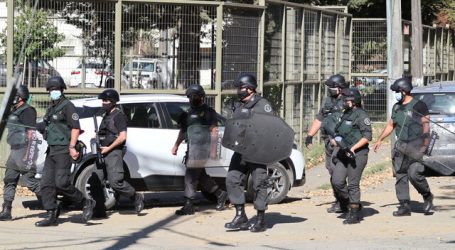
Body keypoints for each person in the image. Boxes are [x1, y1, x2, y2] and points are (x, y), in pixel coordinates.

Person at [35, 76, 95, 227]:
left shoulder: (68, 106)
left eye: (56, 89)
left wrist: (72, 147)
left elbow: (75, 128)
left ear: (61, 90)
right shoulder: (51, 108)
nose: (53, 92)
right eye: (51, 90)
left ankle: (86, 202)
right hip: (52, 150)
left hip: (64, 149)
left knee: (61, 182)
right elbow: (48, 127)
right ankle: (51, 214)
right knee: (46, 184)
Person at [373, 77, 433, 216]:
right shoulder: (397, 106)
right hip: (401, 146)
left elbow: (426, 125)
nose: (396, 94)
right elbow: (391, 125)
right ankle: (404, 205)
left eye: (397, 91)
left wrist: (425, 145)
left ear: (404, 91)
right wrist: (380, 139)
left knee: (414, 173)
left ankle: (427, 196)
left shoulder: (419, 105)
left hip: (416, 146)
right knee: (400, 175)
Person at [224, 74, 271, 233]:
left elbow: (268, 126)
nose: (238, 91)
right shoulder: (238, 105)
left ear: (250, 88)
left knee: (259, 183)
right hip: (241, 150)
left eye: (241, 88)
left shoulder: (262, 104)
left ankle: (260, 219)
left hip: (257, 151)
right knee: (232, 179)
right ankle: (240, 215)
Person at [171, 84, 228, 215]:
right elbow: (183, 131)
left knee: (191, 176)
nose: (192, 98)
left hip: (202, 148)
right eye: (190, 96)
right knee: (200, 176)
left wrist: (213, 150)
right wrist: (176, 145)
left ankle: (189, 204)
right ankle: (220, 194)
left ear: (202, 97)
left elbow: (214, 131)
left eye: (195, 96)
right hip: (191, 148)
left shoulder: (208, 112)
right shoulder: (187, 113)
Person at [95, 89, 144, 216]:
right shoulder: (106, 115)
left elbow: (122, 137)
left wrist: (108, 148)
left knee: (115, 182)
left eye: (106, 101)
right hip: (102, 151)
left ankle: (135, 196)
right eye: (102, 100)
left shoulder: (119, 116)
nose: (103, 103)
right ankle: (98, 210)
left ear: (112, 102)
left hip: (113, 152)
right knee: (95, 180)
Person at [305, 74, 349, 213]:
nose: (330, 89)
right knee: (331, 169)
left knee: (337, 170)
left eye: (332, 87)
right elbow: (320, 118)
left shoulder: (349, 100)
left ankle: (345, 201)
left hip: (341, 142)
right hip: (328, 141)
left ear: (340, 88)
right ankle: (339, 199)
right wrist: (310, 135)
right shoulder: (328, 101)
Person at [331, 88, 372, 224]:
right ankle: (351, 202)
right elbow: (339, 131)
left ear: (354, 101)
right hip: (344, 152)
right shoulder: (346, 114)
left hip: (358, 154)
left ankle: (354, 213)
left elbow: (367, 137)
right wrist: (335, 140)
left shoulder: (361, 115)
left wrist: (353, 148)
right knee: (337, 180)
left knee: (353, 184)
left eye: (347, 99)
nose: (344, 102)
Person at [0, 85, 40, 221]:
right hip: (15, 151)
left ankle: (51, 204)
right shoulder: (14, 110)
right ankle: (6, 210)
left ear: (20, 97)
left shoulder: (28, 111)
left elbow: (31, 134)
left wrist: (27, 155)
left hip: (25, 150)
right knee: (9, 180)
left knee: (30, 182)